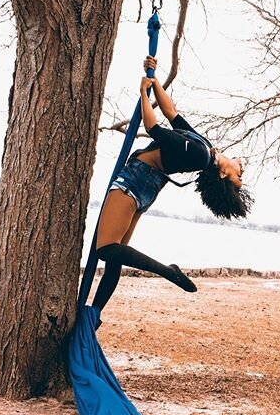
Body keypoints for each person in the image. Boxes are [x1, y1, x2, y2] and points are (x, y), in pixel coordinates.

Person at [92, 55, 253, 313]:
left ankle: (166, 270)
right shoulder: (205, 149)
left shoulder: (200, 155)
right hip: (146, 190)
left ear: (223, 175)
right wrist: (155, 82)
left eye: (239, 178)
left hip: (135, 182)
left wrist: (143, 93)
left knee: (106, 249)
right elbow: (172, 113)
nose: (242, 171)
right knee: (116, 256)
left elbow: (153, 127)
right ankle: (95, 314)